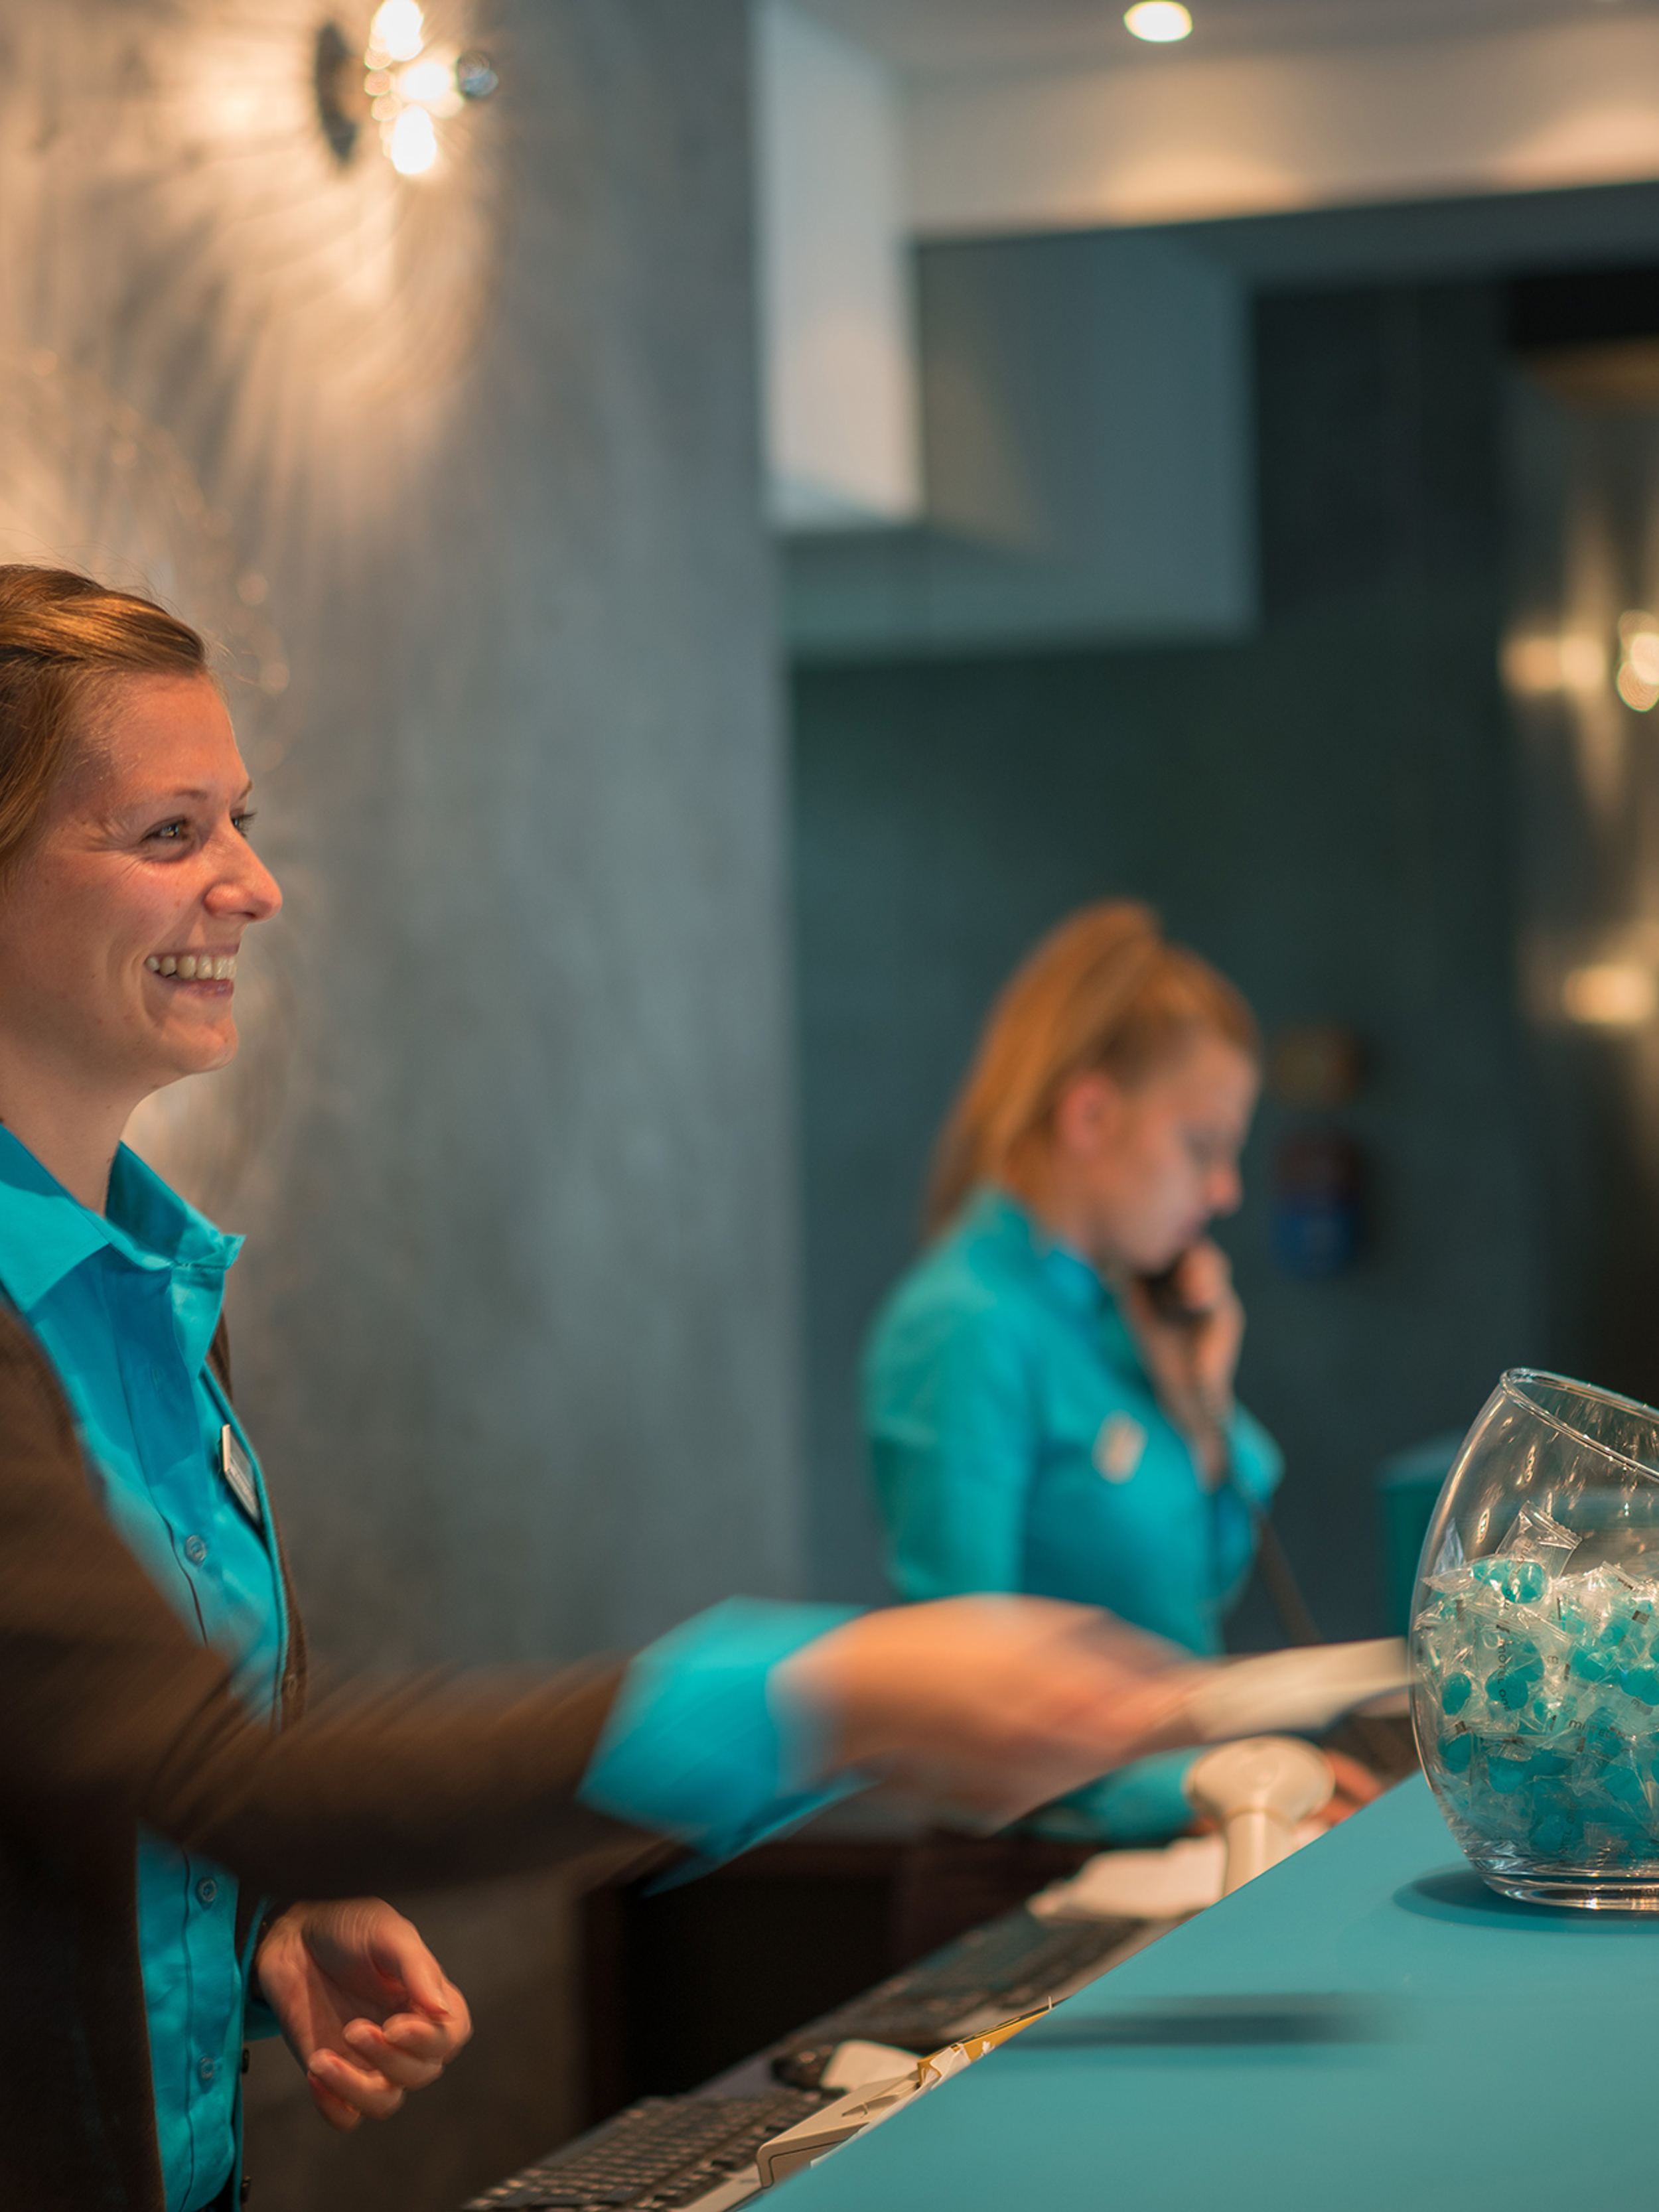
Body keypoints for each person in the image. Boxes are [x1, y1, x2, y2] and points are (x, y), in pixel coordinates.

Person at [0, 570, 1210, 2212]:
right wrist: (821, 1689)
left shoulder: (156, 1289)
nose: (256, 885)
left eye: (242, 820)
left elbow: (94, 1778)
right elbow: (216, 1766)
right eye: (168, 833)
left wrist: (252, 1923)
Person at [864, 903, 1372, 1844]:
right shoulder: (962, 1329)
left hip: (1173, 1845)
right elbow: (958, 1725)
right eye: (1202, 1146)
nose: (1225, 1191)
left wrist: (1198, 1407)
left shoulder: (1122, 1320)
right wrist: (1223, 1784)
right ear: (1091, 1113)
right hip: (1028, 1891)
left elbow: (1200, 1587)